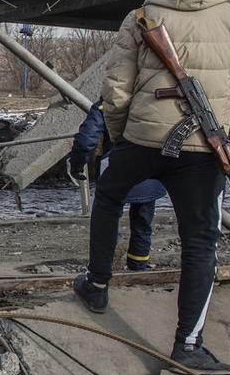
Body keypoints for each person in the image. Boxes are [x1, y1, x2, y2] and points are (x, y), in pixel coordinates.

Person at [75, 0, 230, 374]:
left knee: (108, 197)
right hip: (204, 148)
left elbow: (116, 88)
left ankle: (96, 284)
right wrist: (229, 145)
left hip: (143, 139)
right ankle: (188, 344)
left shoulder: (141, 16)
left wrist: (120, 138)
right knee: (201, 243)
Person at [68, 99, 167, 272]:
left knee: (108, 218)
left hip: (116, 167)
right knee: (143, 221)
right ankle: (138, 266)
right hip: (150, 168)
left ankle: (105, 267)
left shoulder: (106, 104)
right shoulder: (154, 99)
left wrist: (76, 164)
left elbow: (86, 140)